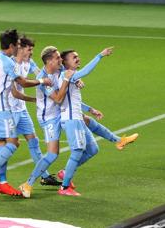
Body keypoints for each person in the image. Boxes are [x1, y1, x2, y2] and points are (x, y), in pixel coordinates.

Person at [56, 48, 138, 196]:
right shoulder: (66, 75)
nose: (78, 59)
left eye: (78, 56)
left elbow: (73, 100)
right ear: (65, 62)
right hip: (71, 120)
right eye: (74, 57)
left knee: (93, 149)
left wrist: (90, 109)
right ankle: (64, 187)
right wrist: (99, 56)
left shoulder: (70, 77)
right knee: (77, 151)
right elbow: (86, 72)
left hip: (76, 117)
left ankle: (119, 140)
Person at [0, 29, 52, 196]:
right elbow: (22, 82)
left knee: (3, 144)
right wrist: (42, 81)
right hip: (1, 107)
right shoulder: (8, 62)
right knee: (13, 143)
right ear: (12, 46)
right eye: (17, 46)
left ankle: (3, 181)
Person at [18, 46, 74, 198]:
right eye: (57, 58)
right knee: (52, 154)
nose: (60, 60)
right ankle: (28, 184)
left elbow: (70, 72)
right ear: (49, 61)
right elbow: (57, 98)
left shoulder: (59, 68)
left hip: (61, 112)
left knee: (85, 127)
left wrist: (77, 80)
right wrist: (68, 80)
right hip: (49, 118)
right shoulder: (43, 80)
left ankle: (117, 140)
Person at [9, 36, 61, 187]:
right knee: (7, 145)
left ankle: (44, 176)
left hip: (21, 108)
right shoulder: (11, 65)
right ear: (20, 48)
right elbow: (15, 93)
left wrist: (52, 78)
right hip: (9, 109)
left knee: (33, 140)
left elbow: (41, 73)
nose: (32, 52)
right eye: (29, 49)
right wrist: (36, 99)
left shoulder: (28, 62)